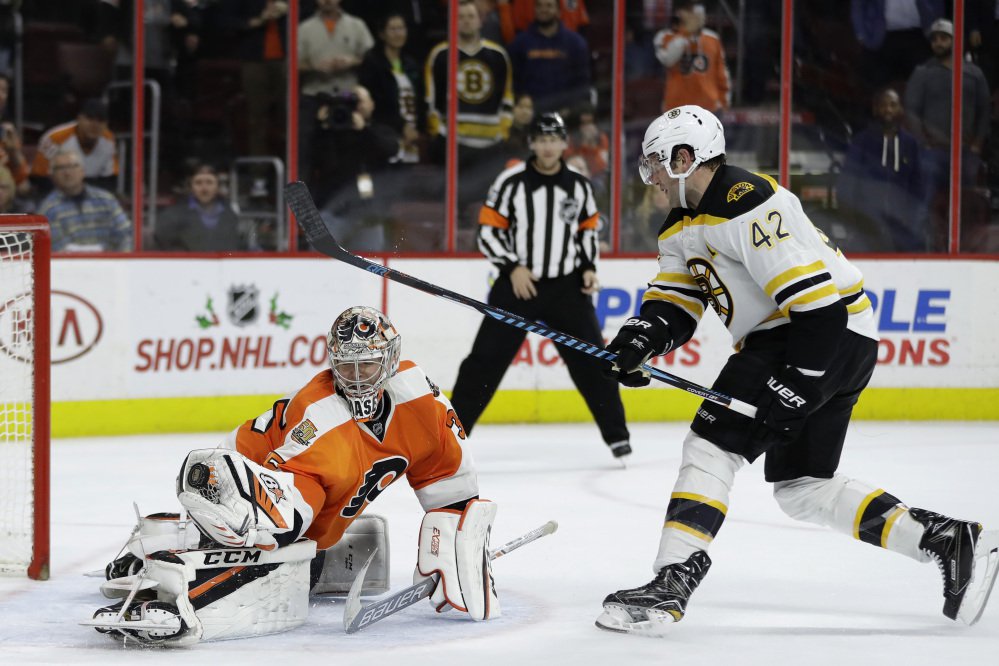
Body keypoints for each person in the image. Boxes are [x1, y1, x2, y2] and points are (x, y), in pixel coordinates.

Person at [594, 105, 999, 635]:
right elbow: (675, 301)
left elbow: (819, 307)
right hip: (836, 341)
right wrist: (641, 339)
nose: (648, 176)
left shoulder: (748, 202)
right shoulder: (681, 224)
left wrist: (800, 378)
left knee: (712, 446)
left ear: (684, 158)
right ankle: (946, 540)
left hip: (813, 337)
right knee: (802, 485)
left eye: (654, 163)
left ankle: (672, 580)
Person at [91, 306, 500, 644]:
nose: (358, 377)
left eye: (368, 364)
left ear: (391, 360)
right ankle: (167, 560)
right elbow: (281, 512)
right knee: (279, 542)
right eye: (347, 366)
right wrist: (286, 540)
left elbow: (450, 481)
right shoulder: (320, 421)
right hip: (236, 473)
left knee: (307, 552)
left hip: (298, 488)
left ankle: (168, 537)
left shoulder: (420, 398)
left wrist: (454, 542)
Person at [450, 112, 632, 460]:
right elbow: (488, 231)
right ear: (532, 143)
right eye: (542, 139)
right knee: (484, 361)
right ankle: (452, 436)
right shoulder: (511, 182)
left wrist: (588, 268)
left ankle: (617, 436)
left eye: (554, 139)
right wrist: (512, 267)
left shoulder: (578, 185)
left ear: (564, 143)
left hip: (567, 288)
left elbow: (587, 231)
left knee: (593, 362)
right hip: (518, 284)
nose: (548, 146)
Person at [425, 0, 514, 231]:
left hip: (490, 143)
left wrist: (502, 133)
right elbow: (431, 101)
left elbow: (506, 99)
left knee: (490, 204)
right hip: (455, 142)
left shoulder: (497, 55)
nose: (466, 21)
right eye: (461, 17)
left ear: (481, 20)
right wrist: (440, 134)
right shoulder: (441, 54)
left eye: (471, 16)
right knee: (458, 203)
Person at [905, 18, 991, 252]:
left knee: (966, 204)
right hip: (933, 152)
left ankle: (967, 247)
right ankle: (918, 249)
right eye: (935, 39)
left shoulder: (973, 73)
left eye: (944, 38)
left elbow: (984, 111)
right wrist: (924, 142)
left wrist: (977, 143)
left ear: (955, 41)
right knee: (925, 202)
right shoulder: (923, 72)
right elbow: (911, 110)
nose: (939, 43)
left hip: (965, 152)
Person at [838, 88, 925, 252]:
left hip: (901, 226)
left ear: (901, 109)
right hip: (868, 224)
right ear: (875, 109)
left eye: (893, 105)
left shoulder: (910, 144)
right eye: (883, 105)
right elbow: (847, 183)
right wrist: (854, 220)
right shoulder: (862, 142)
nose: (888, 110)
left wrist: (911, 219)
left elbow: (918, 187)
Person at [297, 0, 374, 179]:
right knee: (304, 145)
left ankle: (353, 192)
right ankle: (301, 195)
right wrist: (314, 67)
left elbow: (372, 59)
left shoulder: (357, 25)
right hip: (314, 95)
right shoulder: (304, 29)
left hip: (349, 96)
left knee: (353, 146)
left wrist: (352, 61)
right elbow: (292, 65)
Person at [358, 13, 424, 164]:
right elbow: (375, 104)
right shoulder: (372, 63)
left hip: (413, 133)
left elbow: (420, 98)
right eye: (393, 29)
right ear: (382, 34)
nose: (398, 34)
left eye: (401, 28)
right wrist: (401, 127)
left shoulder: (411, 63)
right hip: (386, 133)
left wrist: (418, 130)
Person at [37, 147, 132, 252]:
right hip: (69, 263)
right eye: (61, 168)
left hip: (110, 261)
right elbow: (57, 248)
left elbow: (126, 234)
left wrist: (122, 258)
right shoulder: (48, 209)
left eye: (73, 166)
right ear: (52, 175)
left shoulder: (106, 200)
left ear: (83, 171)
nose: (67, 172)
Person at [507, 0, 591, 115]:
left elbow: (582, 82)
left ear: (558, 11)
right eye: (539, 5)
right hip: (530, 112)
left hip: (566, 114)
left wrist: (572, 110)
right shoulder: (519, 43)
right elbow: (513, 81)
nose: (543, 10)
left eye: (549, 6)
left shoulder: (575, 43)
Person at [653, 0, 730, 113]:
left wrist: (724, 102)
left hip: (708, 108)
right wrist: (686, 33)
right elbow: (668, 59)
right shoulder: (665, 36)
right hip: (676, 108)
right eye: (690, 10)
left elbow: (722, 74)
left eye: (697, 9)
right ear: (680, 13)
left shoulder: (713, 38)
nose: (695, 15)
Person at [30, 98, 119, 193]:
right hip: (55, 191)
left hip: (92, 192)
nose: (95, 125)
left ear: (106, 124)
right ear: (79, 119)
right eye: (90, 118)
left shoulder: (109, 139)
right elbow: (39, 177)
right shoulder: (55, 138)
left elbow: (110, 178)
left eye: (101, 120)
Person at [154, 163, 246, 251]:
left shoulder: (231, 215)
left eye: (209, 182)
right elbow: (163, 246)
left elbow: (240, 246)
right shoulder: (172, 215)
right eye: (198, 183)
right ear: (191, 187)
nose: (204, 188)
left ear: (217, 187)